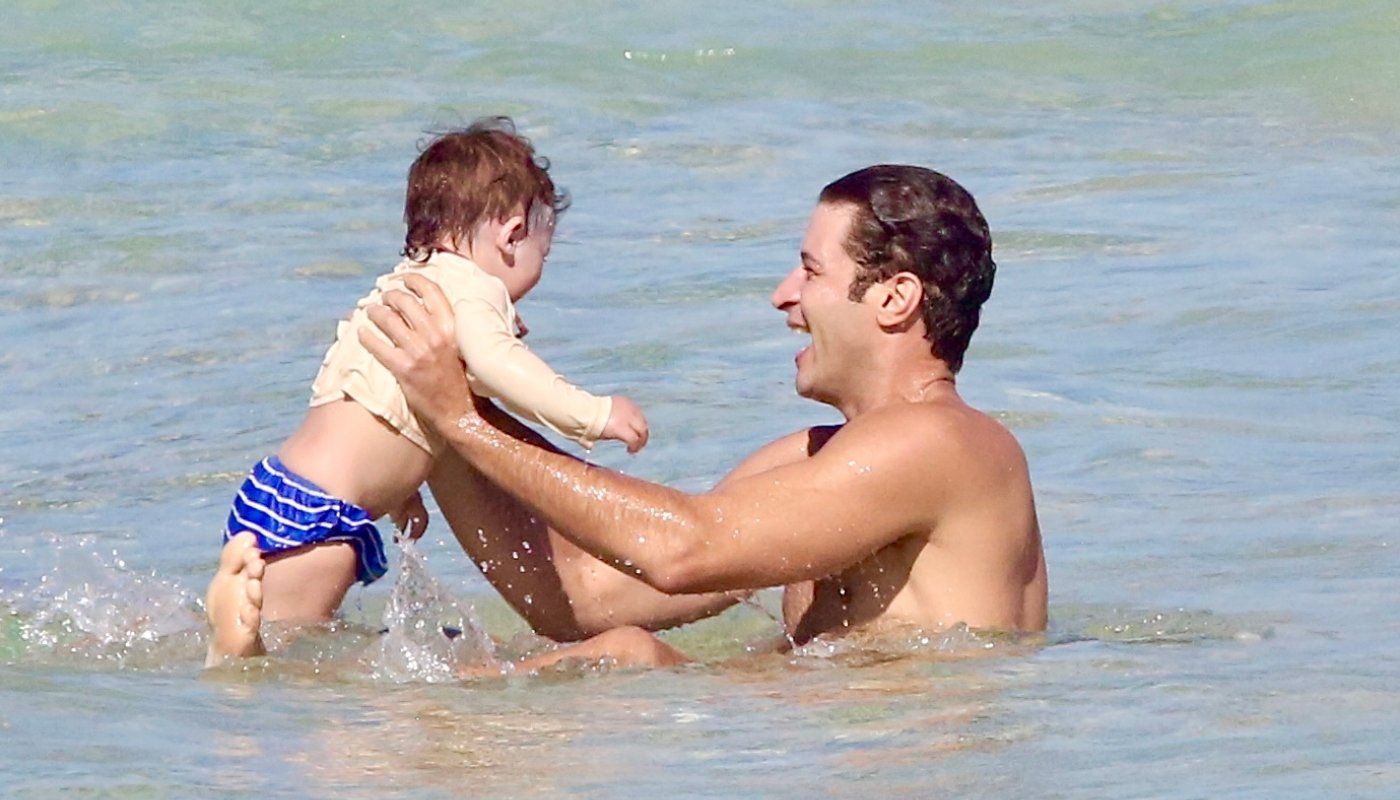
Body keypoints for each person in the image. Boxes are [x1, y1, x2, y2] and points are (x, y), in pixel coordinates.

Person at [350, 163, 1049, 665]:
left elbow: (681, 551)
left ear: (894, 299)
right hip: (798, 752)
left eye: (810, 271)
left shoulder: (940, 443)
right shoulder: (817, 459)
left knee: (619, 660)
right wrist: (443, 403)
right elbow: (591, 597)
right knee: (613, 650)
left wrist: (463, 423)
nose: (783, 296)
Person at [204, 117, 651, 667]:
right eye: (544, 254)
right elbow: (504, 368)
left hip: (281, 489)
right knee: (286, 652)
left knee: (285, 621)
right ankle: (237, 650)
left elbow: (367, 399)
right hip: (325, 519)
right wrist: (596, 414)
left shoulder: (401, 289)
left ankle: (230, 628)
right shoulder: (471, 291)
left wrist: (399, 490)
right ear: (511, 234)